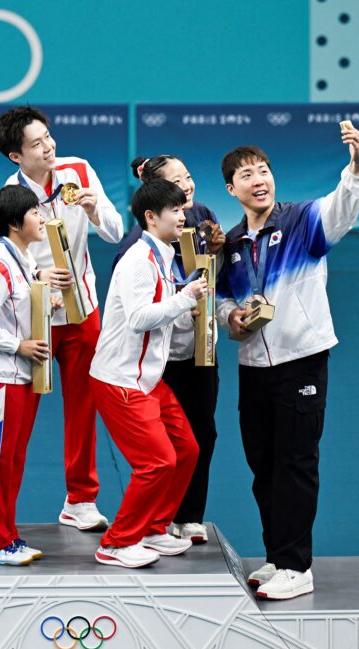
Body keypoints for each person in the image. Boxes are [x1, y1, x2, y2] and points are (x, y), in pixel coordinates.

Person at [216, 124, 359, 600]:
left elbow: (342, 207)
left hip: (301, 360)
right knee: (263, 465)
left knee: (296, 463)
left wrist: (356, 165)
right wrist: (233, 318)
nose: (259, 179)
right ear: (231, 188)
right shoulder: (234, 244)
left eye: (264, 170)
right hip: (253, 368)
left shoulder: (302, 220)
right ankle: (277, 557)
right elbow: (221, 303)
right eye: (247, 174)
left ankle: (299, 567)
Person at [0, 106, 124, 531]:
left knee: (84, 407)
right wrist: (37, 274)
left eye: (48, 137)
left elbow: (116, 232)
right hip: (34, 318)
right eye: (36, 144)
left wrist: (95, 208)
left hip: (83, 311)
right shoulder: (7, 198)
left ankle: (80, 500)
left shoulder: (79, 171)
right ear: (16, 156)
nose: (48, 147)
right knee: (18, 414)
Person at [89, 179, 207, 568]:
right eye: (173, 210)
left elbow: (161, 310)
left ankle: (155, 528)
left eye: (181, 208)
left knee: (187, 450)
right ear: (150, 217)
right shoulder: (138, 260)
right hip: (121, 380)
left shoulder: (164, 254)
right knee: (156, 463)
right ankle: (117, 542)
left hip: (149, 380)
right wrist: (184, 298)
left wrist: (181, 301)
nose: (182, 214)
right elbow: (140, 319)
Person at [112, 155, 225, 545]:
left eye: (190, 177)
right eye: (177, 185)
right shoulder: (134, 252)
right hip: (161, 359)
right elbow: (138, 313)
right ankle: (152, 522)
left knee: (202, 435)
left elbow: (214, 278)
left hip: (201, 348)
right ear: (154, 206)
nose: (188, 188)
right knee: (161, 448)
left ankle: (189, 516)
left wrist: (219, 254)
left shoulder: (203, 216)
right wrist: (184, 296)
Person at [0, 185, 62, 565]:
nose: (41, 218)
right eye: (35, 213)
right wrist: (17, 346)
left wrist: (47, 304)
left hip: (22, 377)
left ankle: (7, 536)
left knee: (13, 460)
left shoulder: (23, 260)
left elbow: (17, 311)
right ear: (13, 223)